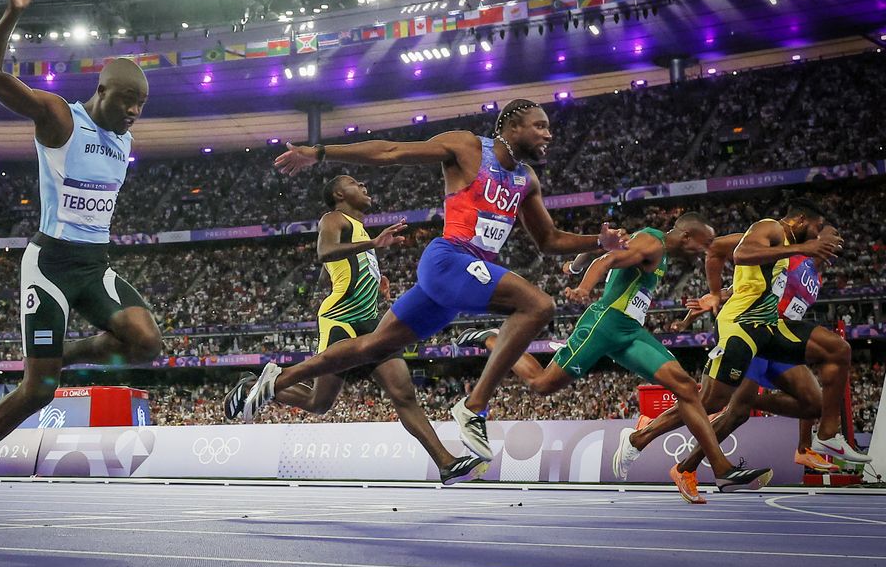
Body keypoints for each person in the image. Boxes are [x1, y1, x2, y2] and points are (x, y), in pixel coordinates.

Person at [239, 99, 629, 462]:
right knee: (539, 305)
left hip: (456, 283)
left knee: (372, 347)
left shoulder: (526, 180)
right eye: (540, 126)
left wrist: (598, 241)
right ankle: (473, 407)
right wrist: (321, 152)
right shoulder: (467, 147)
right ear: (512, 126)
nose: (549, 134)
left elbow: (550, 240)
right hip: (448, 260)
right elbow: (392, 152)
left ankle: (277, 379)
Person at [0, 0, 162, 529]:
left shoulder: (125, 138)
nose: (135, 113)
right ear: (101, 91)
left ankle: (70, 347)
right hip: (51, 265)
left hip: (94, 265)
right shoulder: (61, 117)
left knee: (147, 344)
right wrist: (13, 12)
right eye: (127, 101)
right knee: (40, 388)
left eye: (142, 105)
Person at [460, 216, 775, 493]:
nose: (707, 251)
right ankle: (496, 339)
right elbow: (608, 260)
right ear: (686, 236)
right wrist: (584, 287)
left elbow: (601, 249)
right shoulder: (651, 243)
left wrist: (574, 265)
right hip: (603, 324)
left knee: (686, 388)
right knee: (542, 384)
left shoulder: (653, 246)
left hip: (630, 331)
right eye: (704, 244)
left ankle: (722, 470)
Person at [224, 175, 489, 484]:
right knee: (320, 403)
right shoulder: (334, 218)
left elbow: (330, 272)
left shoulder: (359, 230)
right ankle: (259, 385)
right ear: (339, 193)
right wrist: (372, 245)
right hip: (342, 318)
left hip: (370, 321)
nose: (364, 185)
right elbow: (325, 253)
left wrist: (375, 277)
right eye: (355, 182)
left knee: (399, 393)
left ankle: (445, 463)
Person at [613, 202, 866, 502]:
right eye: (829, 234)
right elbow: (721, 250)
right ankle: (648, 441)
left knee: (811, 403)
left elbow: (764, 285)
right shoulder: (776, 235)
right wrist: (715, 294)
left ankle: (811, 442)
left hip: (774, 334)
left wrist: (722, 295)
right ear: (807, 226)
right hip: (747, 331)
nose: (835, 244)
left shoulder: (815, 276)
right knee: (717, 404)